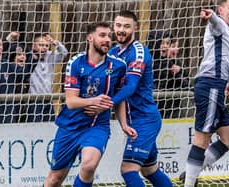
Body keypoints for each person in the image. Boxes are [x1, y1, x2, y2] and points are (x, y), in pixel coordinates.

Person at [43, 22, 136, 187]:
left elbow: (119, 98)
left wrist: (124, 124)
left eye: (109, 36)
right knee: (54, 179)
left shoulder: (118, 66)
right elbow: (71, 102)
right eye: (102, 35)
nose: (107, 40)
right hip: (70, 126)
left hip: (97, 126)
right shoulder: (76, 63)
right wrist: (94, 101)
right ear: (90, 38)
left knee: (89, 165)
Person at [108, 10, 173, 187]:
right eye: (118, 25)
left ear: (135, 28)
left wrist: (105, 104)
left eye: (126, 26)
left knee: (128, 169)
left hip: (144, 119)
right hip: (132, 121)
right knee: (149, 170)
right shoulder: (113, 52)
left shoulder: (138, 52)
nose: (121, 30)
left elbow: (130, 87)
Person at [180, 0, 229, 186]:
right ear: (221, 10)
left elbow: (227, 61)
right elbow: (214, 22)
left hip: (218, 86)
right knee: (202, 139)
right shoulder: (219, 24)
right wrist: (211, 16)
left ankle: (189, 174)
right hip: (209, 85)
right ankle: (190, 182)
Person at [26, 33, 68, 122]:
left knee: (49, 123)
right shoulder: (29, 57)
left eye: (46, 45)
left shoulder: (50, 56)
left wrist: (54, 42)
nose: (44, 47)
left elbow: (64, 53)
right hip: (34, 99)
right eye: (41, 45)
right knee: (35, 124)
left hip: (48, 98)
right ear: (33, 46)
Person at [148, 31, 189, 118]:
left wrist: (180, 70)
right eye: (162, 43)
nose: (165, 46)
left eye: (168, 43)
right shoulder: (148, 61)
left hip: (170, 109)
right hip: (151, 109)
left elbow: (185, 82)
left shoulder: (172, 62)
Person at [0, 34, 23, 123]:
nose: (0, 47)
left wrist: (33, 59)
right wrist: (8, 39)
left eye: (1, 45)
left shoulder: (8, 65)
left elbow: (25, 73)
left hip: (7, 112)